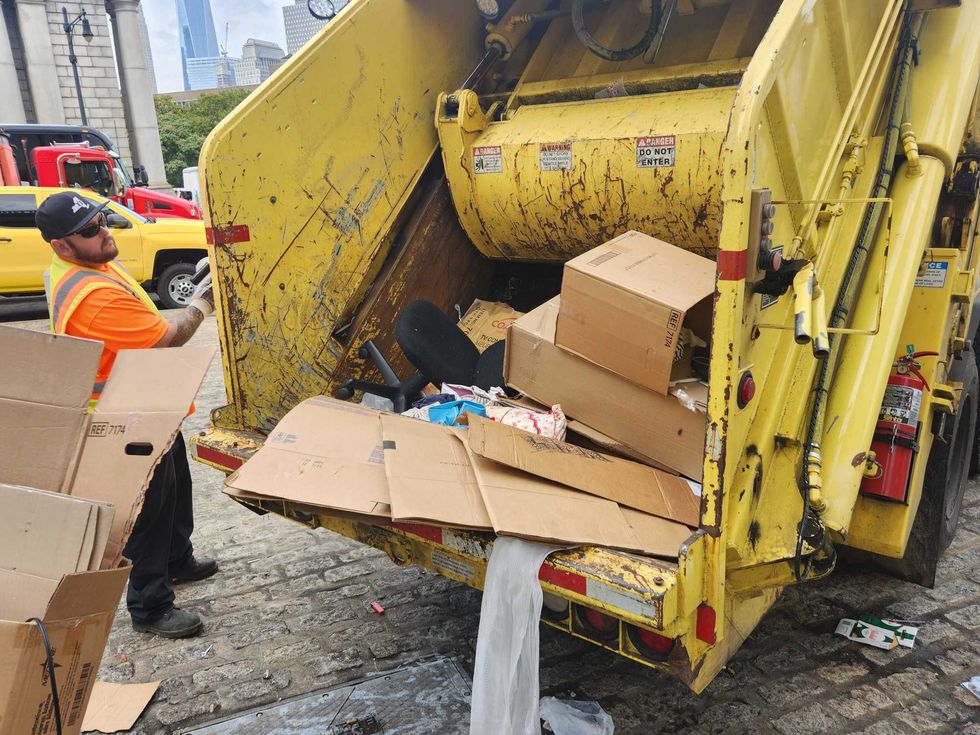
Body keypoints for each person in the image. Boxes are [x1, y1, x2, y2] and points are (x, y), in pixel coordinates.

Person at [37, 191, 217, 639]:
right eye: (91, 230)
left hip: (148, 399)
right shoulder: (91, 293)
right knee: (148, 509)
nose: (104, 233)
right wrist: (202, 302)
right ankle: (150, 605)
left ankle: (178, 559)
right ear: (61, 245)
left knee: (176, 483)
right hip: (124, 414)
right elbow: (165, 337)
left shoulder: (91, 263)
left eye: (103, 221)